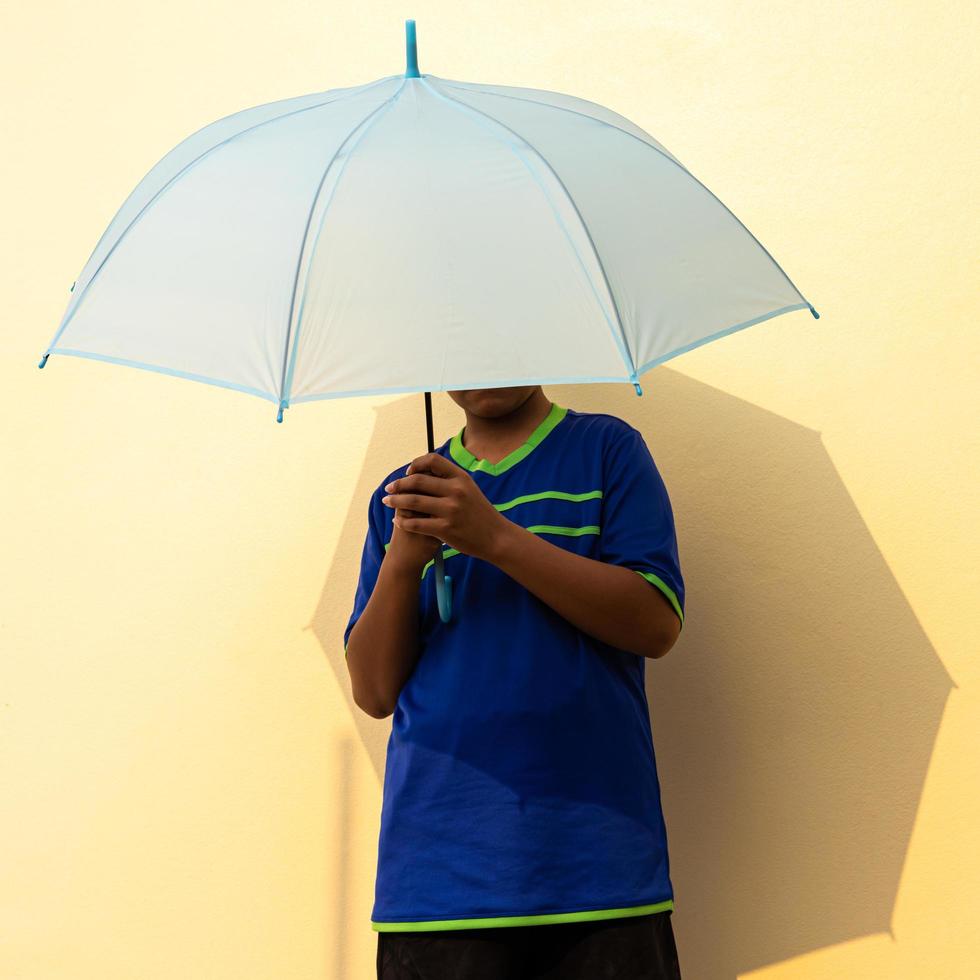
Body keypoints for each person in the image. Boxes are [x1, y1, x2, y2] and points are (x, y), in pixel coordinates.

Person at [344, 385, 685, 980]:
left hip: (597, 868)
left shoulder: (607, 449)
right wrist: (403, 562)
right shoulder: (403, 496)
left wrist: (493, 537)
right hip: (435, 883)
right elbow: (373, 692)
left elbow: (655, 624)